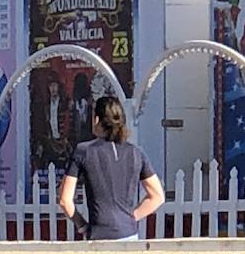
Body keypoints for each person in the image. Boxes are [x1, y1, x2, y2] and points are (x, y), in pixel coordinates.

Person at [57, 96, 166, 241]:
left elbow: (64, 200)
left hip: (98, 234)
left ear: (96, 120)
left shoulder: (83, 151)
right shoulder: (136, 153)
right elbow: (157, 196)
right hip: (129, 234)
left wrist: (83, 226)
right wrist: (131, 217)